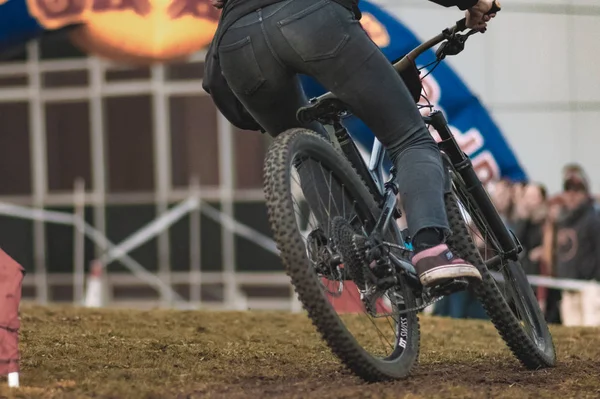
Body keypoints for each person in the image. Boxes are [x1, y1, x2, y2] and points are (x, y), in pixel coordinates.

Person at [208, 0, 496, 288]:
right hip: (312, 19)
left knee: (308, 151)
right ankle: (431, 250)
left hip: (237, 45)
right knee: (409, 137)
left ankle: (357, 253)